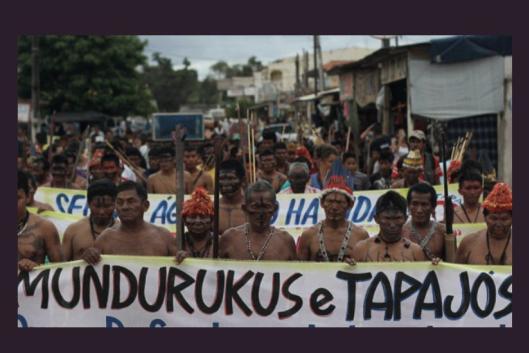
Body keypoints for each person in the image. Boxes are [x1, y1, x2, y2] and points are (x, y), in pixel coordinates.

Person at [82, 181, 178, 264]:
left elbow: (181, 269)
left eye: (131, 201)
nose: (125, 207)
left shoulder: (163, 237)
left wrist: (184, 259)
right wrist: (88, 257)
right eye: (120, 202)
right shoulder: (105, 238)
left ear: (145, 205)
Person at [219, 180, 297, 261]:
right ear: (245, 208)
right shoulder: (230, 238)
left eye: (266, 206)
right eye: (255, 207)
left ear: (275, 208)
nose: (261, 213)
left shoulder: (286, 241)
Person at [297, 177, 369, 262]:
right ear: (322, 203)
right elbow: (300, 269)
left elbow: (366, 268)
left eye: (340, 202)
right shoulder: (308, 236)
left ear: (350, 205)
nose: (334, 207)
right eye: (330, 201)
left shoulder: (361, 235)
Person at [352, 190, 428, 262]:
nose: (392, 224)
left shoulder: (415, 251)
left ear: (405, 219)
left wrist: (437, 268)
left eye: (397, 218)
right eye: (387, 218)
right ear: (376, 219)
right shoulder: (361, 249)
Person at [456, 182, 512, 265]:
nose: (498, 224)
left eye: (504, 219)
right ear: (485, 217)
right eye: (493, 218)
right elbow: (454, 274)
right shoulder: (469, 243)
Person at [61, 180, 117, 261]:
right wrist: (82, 260)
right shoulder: (73, 230)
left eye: (107, 206)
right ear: (88, 204)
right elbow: (60, 266)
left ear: (115, 203)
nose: (102, 211)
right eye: (97, 206)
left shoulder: (124, 232)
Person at [17, 171, 62, 271]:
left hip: (32, 286)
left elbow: (61, 271)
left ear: (28, 197)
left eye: (17, 198)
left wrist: (37, 268)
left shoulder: (45, 228)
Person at [402, 183, 455, 261]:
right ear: (409, 206)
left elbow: (453, 263)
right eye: (415, 204)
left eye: (424, 204)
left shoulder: (443, 231)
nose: (419, 210)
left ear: (433, 207)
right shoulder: (401, 232)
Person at [176, 188, 214, 262]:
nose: (198, 221)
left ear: (211, 220)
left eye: (203, 216)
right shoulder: (176, 243)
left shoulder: (221, 243)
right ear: (184, 220)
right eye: (192, 216)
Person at [218, 159, 247, 234]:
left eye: (231, 178)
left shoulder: (251, 208)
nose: (226, 183)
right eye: (222, 179)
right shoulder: (211, 209)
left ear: (242, 180)